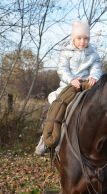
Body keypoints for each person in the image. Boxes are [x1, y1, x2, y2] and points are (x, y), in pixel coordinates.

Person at [35, 20, 102, 156]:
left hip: (86, 87)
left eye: (85, 38)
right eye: (79, 38)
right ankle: (46, 137)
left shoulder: (94, 55)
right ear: (73, 39)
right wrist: (71, 79)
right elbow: (62, 69)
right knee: (55, 104)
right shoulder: (66, 52)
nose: (82, 41)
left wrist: (93, 78)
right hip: (68, 86)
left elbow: (97, 69)